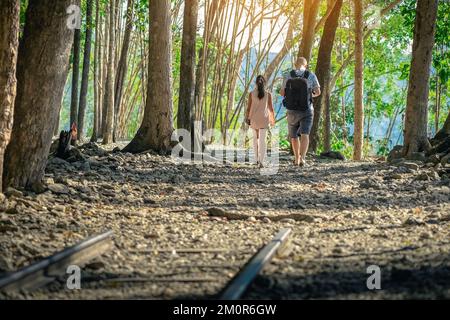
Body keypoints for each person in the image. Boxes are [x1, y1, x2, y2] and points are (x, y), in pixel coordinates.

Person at [281, 57, 321, 167]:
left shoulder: (288, 75)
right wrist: (308, 95)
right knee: (305, 133)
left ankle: (296, 159)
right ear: (306, 65)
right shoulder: (311, 75)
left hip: (291, 110)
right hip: (307, 109)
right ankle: (303, 158)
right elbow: (318, 92)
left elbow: (282, 92)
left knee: (294, 135)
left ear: (295, 64)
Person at [245, 75, 275, 168]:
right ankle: (261, 161)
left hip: (254, 119)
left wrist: (247, 118)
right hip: (264, 119)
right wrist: (272, 120)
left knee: (255, 139)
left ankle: (256, 159)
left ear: (256, 83)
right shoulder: (268, 94)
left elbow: (249, 108)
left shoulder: (251, 94)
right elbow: (271, 109)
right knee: (262, 140)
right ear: (264, 83)